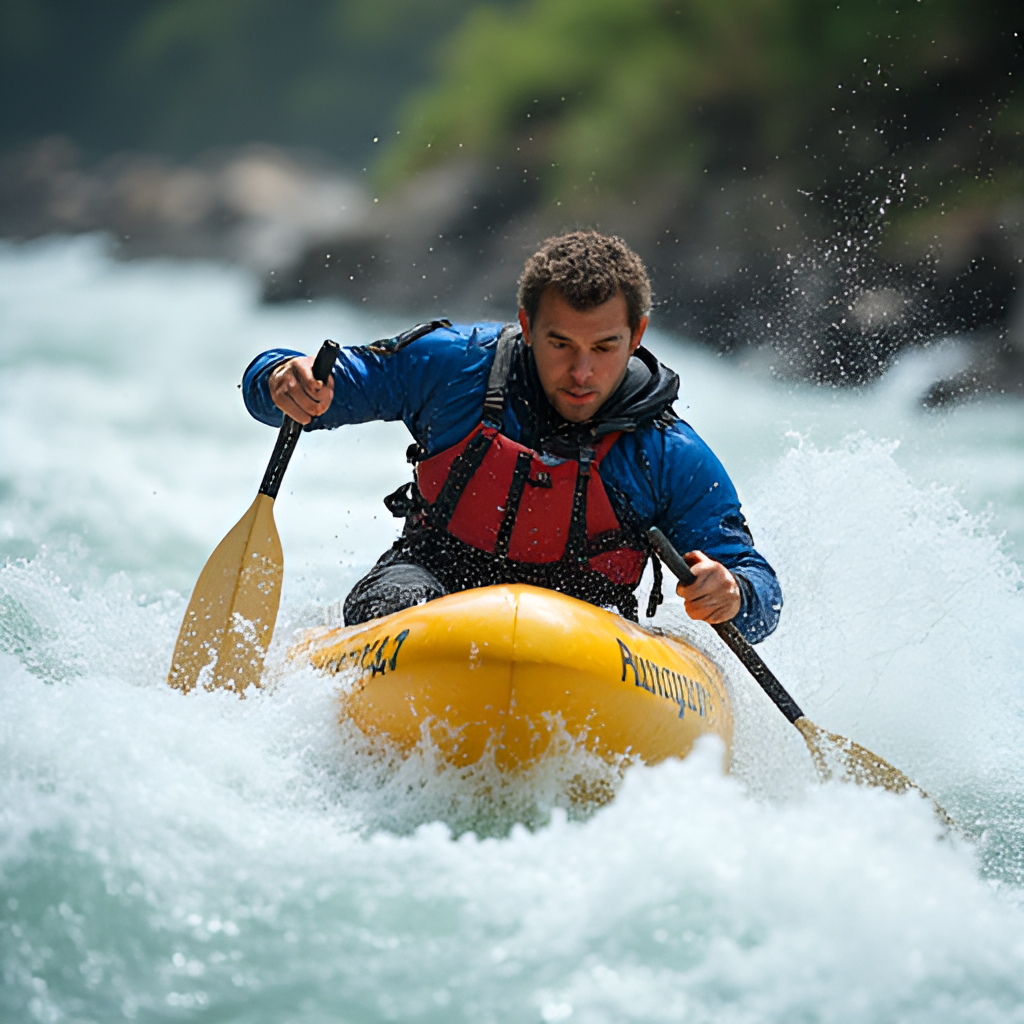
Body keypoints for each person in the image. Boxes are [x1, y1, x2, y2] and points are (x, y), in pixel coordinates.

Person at [242, 231, 781, 641]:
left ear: (637, 334)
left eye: (604, 347)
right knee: (395, 600)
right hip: (430, 581)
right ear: (526, 325)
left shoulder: (668, 454)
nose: (582, 372)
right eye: (560, 343)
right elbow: (302, 386)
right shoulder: (453, 368)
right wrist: (281, 378)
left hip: (588, 630)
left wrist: (733, 593)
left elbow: (760, 591)